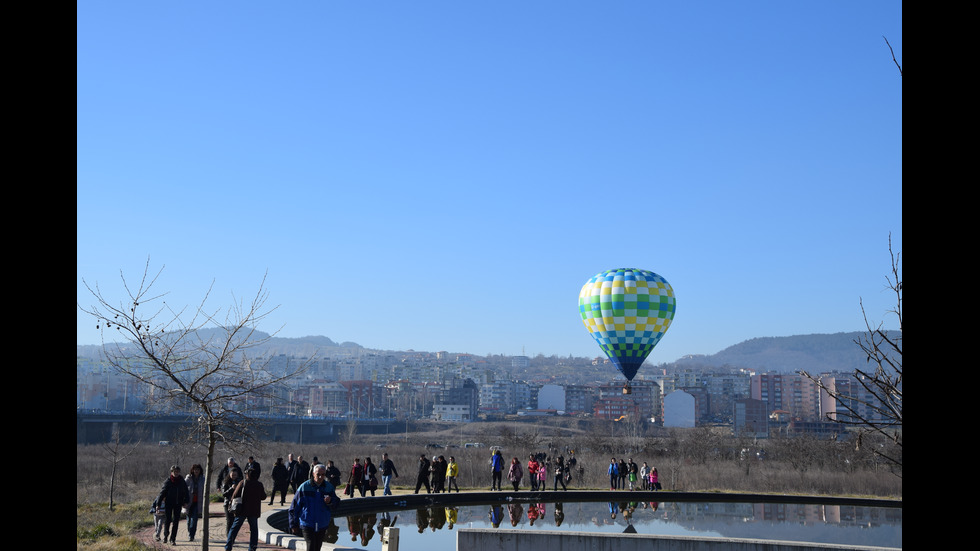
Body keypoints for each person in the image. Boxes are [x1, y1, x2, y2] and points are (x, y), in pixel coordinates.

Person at [289, 464, 341, 551]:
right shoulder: (304, 487)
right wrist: (293, 524)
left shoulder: (329, 487)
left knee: (317, 547)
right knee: (311, 545)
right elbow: (294, 508)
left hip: (322, 524)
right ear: (313, 474)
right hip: (307, 524)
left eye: (323, 474)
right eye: (318, 474)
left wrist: (331, 500)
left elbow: (336, 503)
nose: (320, 477)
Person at [225, 467, 267, 551]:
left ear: (247, 475)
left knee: (234, 529)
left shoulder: (243, 483)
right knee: (254, 530)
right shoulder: (259, 484)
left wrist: (231, 504)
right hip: (254, 511)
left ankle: (228, 546)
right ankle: (252, 548)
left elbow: (234, 495)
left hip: (242, 510)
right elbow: (263, 497)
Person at [157, 465, 190, 545]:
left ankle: (173, 539)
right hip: (169, 503)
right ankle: (166, 535)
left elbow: (186, 491)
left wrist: (186, 501)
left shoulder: (182, 481)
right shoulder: (168, 481)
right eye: (175, 471)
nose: (176, 473)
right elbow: (162, 493)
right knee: (168, 520)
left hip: (178, 503)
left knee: (176, 521)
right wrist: (158, 504)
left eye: (178, 471)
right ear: (171, 472)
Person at [184, 464, 206, 542]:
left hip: (198, 502)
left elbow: (205, 490)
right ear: (192, 470)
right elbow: (183, 489)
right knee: (189, 520)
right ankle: (190, 532)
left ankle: (191, 535)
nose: (196, 471)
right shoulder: (188, 478)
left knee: (194, 519)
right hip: (189, 502)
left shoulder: (203, 479)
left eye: (198, 469)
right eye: (195, 469)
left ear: (200, 471)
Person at [221, 468, 244, 537]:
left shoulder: (240, 482)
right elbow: (224, 494)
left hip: (237, 503)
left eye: (235, 475)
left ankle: (232, 536)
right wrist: (231, 488)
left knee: (235, 521)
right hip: (228, 504)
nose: (234, 476)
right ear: (230, 474)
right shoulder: (225, 482)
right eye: (232, 475)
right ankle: (228, 536)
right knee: (229, 520)